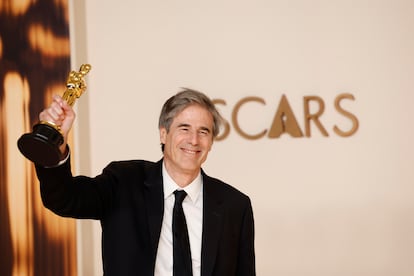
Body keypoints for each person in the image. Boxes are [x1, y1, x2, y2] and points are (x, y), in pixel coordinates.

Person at [35, 88, 256, 276]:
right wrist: (54, 146)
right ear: (163, 134)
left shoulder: (235, 206)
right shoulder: (123, 181)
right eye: (184, 128)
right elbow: (64, 199)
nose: (194, 140)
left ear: (211, 142)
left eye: (203, 131)